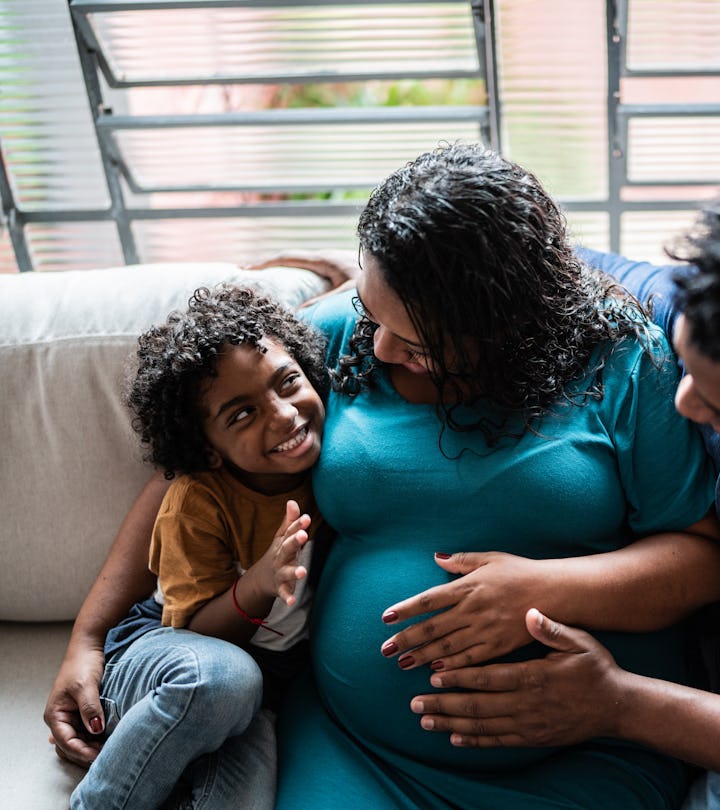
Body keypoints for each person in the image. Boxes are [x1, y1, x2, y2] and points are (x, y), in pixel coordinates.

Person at [46, 144, 720, 809]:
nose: (379, 348)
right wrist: (88, 637)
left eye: (416, 341)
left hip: (580, 754)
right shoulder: (343, 337)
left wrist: (546, 589)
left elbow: (699, 557)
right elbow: (193, 460)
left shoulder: (624, 360)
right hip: (359, 754)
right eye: (373, 314)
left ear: (503, 323)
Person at [404, 204, 720, 809]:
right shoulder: (685, 305)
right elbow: (528, 270)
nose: (684, 402)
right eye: (687, 369)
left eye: (713, 398)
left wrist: (618, 704)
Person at [70, 284, 328, 809]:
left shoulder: (330, 460)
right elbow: (192, 631)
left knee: (245, 797)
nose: (282, 415)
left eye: (288, 382)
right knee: (226, 678)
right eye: (241, 414)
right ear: (206, 450)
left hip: (264, 695)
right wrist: (258, 582)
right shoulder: (196, 502)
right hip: (163, 657)